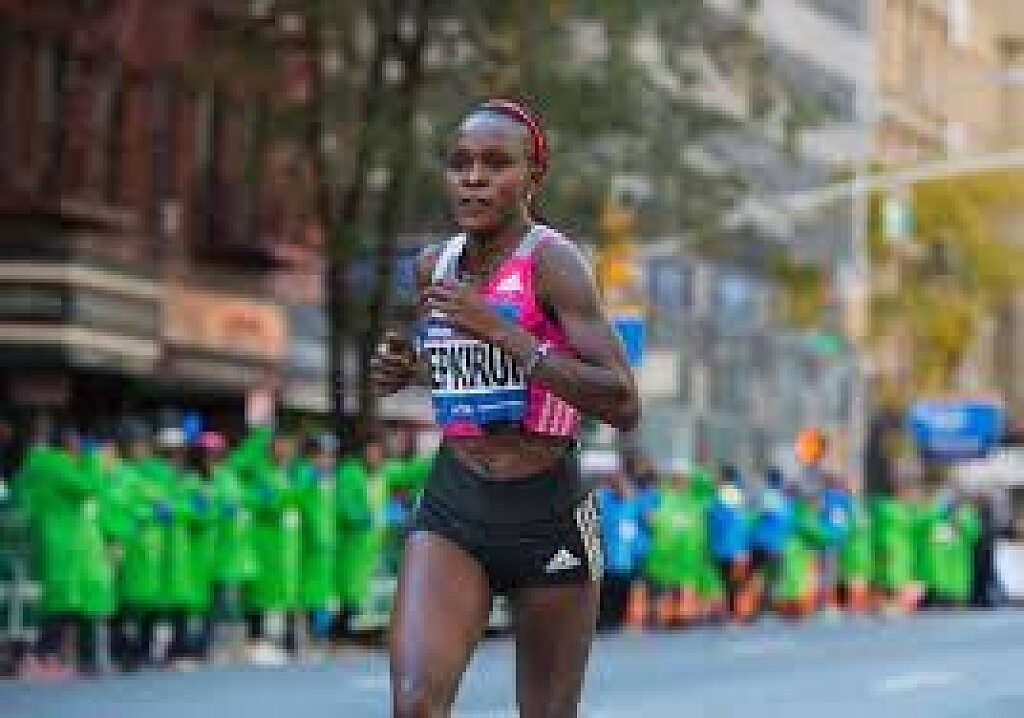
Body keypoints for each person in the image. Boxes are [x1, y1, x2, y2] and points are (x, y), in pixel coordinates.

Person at [372, 98, 639, 717]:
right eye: (460, 163)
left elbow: (623, 401)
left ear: (532, 176)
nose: (474, 178)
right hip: (455, 502)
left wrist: (504, 332)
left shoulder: (554, 263)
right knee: (414, 706)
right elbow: (464, 372)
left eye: (495, 164)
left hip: (548, 509)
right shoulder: (432, 267)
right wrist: (410, 368)